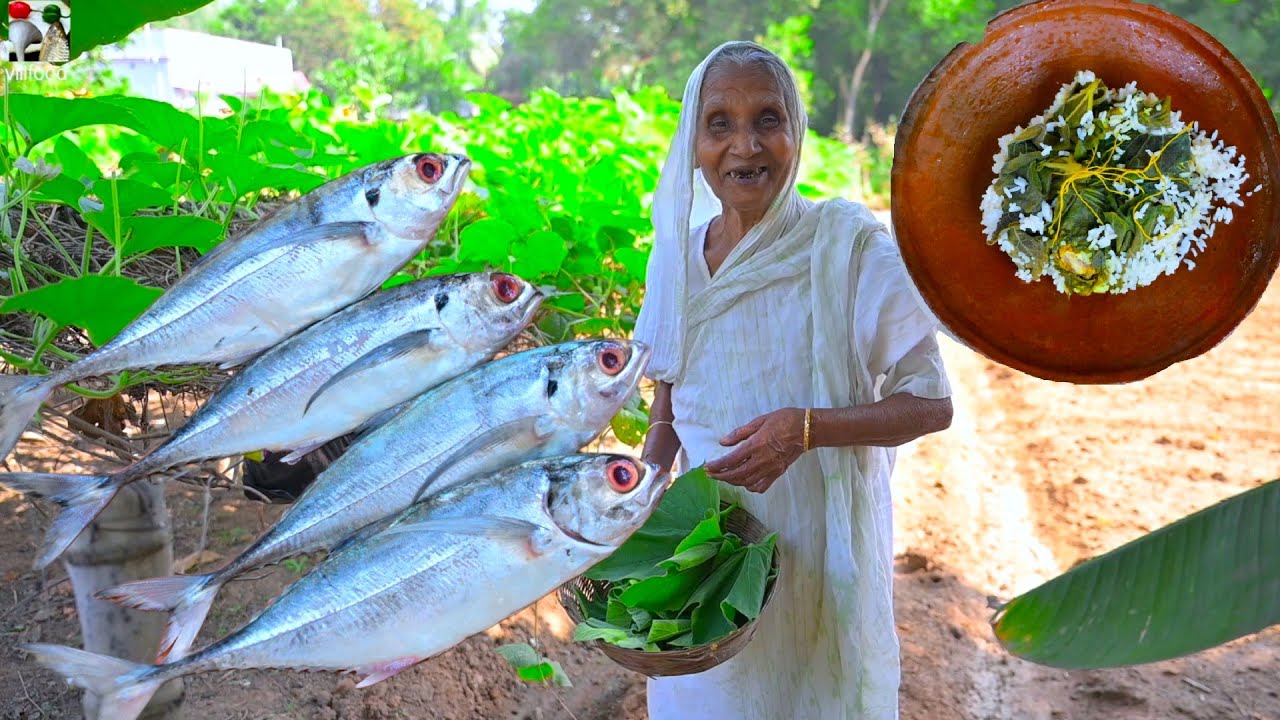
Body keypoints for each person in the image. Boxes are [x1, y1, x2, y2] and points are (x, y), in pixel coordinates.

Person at [633, 40, 954, 719]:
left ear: (796, 130)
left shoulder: (846, 247)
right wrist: (640, 506)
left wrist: (806, 430)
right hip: (707, 568)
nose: (744, 146)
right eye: (720, 123)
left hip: (821, 557)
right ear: (694, 141)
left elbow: (931, 404)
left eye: (767, 120)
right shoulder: (678, 259)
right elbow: (665, 397)